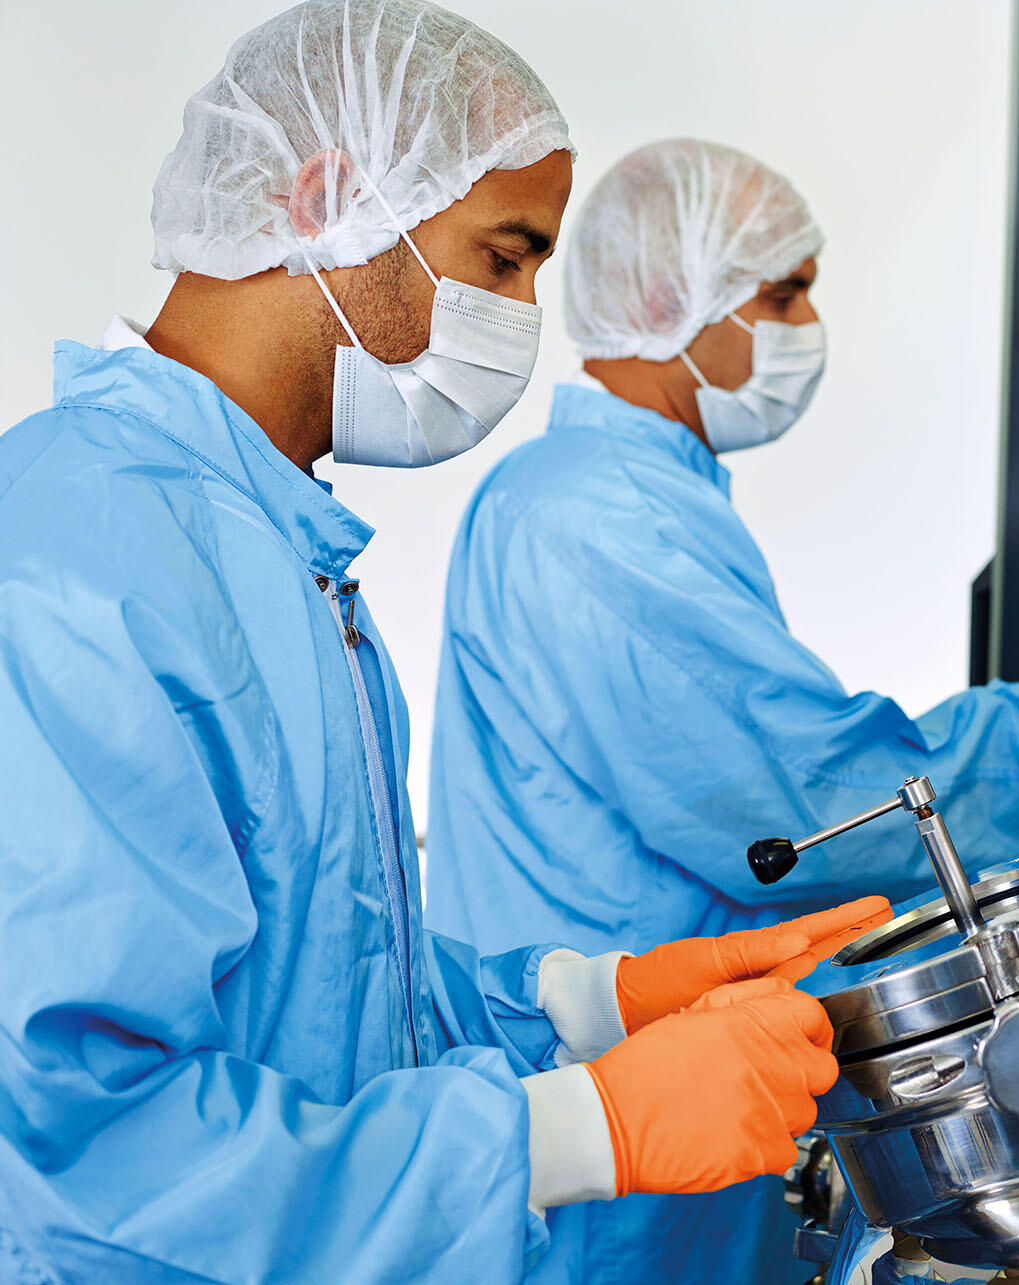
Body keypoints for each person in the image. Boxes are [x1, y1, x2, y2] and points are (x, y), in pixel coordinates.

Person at [0, 9, 881, 1282]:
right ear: (328, 199)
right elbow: (81, 1148)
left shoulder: (271, 552)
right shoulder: (81, 563)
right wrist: (586, 1127)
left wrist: (602, 1002)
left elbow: (325, 1002)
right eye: (506, 255)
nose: (527, 315)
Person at [426, 138, 1019, 1284]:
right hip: (611, 1173)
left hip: (665, 1113)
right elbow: (797, 805)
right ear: (666, 300)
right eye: (781, 292)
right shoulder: (593, 517)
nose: (806, 325)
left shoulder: (638, 497)